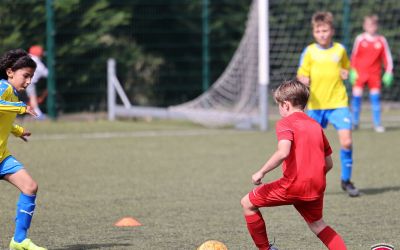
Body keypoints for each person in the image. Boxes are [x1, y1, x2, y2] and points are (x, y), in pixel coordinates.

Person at [240, 80, 347, 250]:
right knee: (318, 225)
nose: (280, 110)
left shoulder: (286, 123)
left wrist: (261, 172)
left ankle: (265, 249)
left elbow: (283, 152)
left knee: (247, 203)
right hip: (316, 186)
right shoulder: (315, 126)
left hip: (293, 185)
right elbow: (328, 163)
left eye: (279, 106)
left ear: (286, 105)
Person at [297, 11, 360, 197]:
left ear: (332, 30)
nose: (322, 34)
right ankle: (308, 182)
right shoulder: (309, 52)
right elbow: (301, 73)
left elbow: (346, 68)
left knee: (347, 142)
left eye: (325, 30)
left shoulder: (340, 50)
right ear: (314, 33)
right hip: (316, 106)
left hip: (339, 102)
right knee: (311, 148)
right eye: (318, 31)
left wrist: (346, 73)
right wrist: (303, 79)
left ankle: (346, 180)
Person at [0, 49, 47, 250]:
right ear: (10, 72)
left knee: (30, 187)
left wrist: (18, 131)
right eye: (25, 75)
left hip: (2, 157)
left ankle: (19, 241)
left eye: (31, 77)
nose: (28, 82)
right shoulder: (2, 87)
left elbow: (3, 120)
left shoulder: (11, 93)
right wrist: (21, 108)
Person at [349, 14, 393, 133]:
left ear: (377, 26)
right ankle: (354, 122)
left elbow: (387, 58)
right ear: (364, 26)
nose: (371, 27)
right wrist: (352, 70)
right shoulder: (360, 39)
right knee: (356, 97)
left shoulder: (381, 40)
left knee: (375, 98)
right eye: (368, 25)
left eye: (373, 25)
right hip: (360, 74)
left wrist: (389, 72)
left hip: (374, 74)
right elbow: (354, 56)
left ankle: (377, 124)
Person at [27, 45, 48, 120]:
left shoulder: (26, 58)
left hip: (16, 80)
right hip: (28, 83)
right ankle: (37, 114)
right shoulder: (38, 63)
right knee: (33, 96)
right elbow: (47, 74)